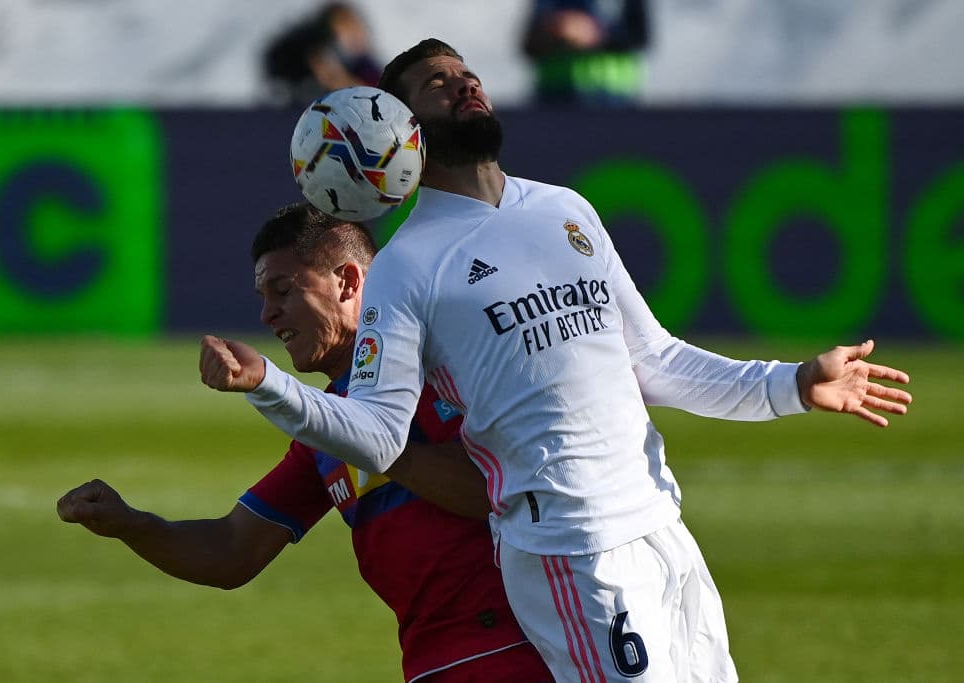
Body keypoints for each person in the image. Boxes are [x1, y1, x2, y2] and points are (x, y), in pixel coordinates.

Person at [199, 40, 913, 682]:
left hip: (663, 527)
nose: (463, 83)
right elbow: (384, 437)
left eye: (466, 73)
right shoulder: (407, 266)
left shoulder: (565, 210)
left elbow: (656, 360)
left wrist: (791, 385)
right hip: (572, 552)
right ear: (401, 129)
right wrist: (271, 386)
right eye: (436, 82)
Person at [59, 203, 553, 682]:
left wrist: (354, 435)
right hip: (432, 660)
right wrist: (131, 524)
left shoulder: (448, 365)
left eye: (283, 291)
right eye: (263, 298)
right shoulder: (325, 431)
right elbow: (232, 550)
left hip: (526, 647)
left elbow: (497, 493)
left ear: (349, 282)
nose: (268, 315)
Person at [522, 0, 651, 105]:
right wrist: (553, 29)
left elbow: (640, 35)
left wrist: (596, 33)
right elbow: (528, 44)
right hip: (553, 95)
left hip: (615, 99)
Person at [261, 2, 382, 106]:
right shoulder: (319, 51)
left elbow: (379, 93)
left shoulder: (364, 63)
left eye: (356, 27)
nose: (357, 35)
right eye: (345, 28)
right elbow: (334, 80)